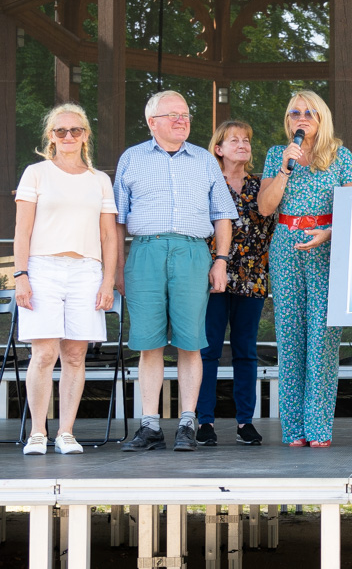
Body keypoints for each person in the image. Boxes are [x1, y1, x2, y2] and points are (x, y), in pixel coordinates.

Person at [114, 90, 238, 452]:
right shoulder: (132, 159)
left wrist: (221, 261)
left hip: (192, 252)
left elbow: (222, 216)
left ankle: (187, 422)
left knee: (190, 341)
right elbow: (117, 220)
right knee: (148, 344)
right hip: (146, 251)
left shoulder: (202, 159)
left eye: (185, 114)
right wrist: (118, 268)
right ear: (152, 122)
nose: (182, 120)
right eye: (173, 115)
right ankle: (150, 425)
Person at [12, 103, 118, 455]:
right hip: (42, 268)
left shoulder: (99, 180)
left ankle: (66, 433)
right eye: (61, 131)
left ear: (86, 134)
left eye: (76, 130)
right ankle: (38, 433)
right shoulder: (36, 173)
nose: (68, 136)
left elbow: (108, 237)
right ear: (51, 136)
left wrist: (107, 281)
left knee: (75, 355)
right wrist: (21, 275)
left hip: (86, 271)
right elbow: (22, 230)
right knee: (43, 354)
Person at [258, 90, 352, 448]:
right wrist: (286, 169)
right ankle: (294, 430)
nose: (301, 119)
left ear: (322, 119)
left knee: (322, 338)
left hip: (327, 245)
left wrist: (329, 232)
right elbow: (266, 208)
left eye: (309, 113)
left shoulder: (340, 156)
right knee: (290, 338)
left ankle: (318, 428)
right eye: (294, 113)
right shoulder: (277, 155)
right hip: (286, 244)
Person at [195, 121, 276, 447]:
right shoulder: (206, 184)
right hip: (212, 277)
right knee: (208, 350)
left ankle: (245, 422)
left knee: (246, 351)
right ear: (219, 148)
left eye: (247, 140)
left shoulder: (262, 185)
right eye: (234, 140)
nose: (243, 144)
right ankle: (205, 422)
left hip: (253, 278)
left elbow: (274, 226)